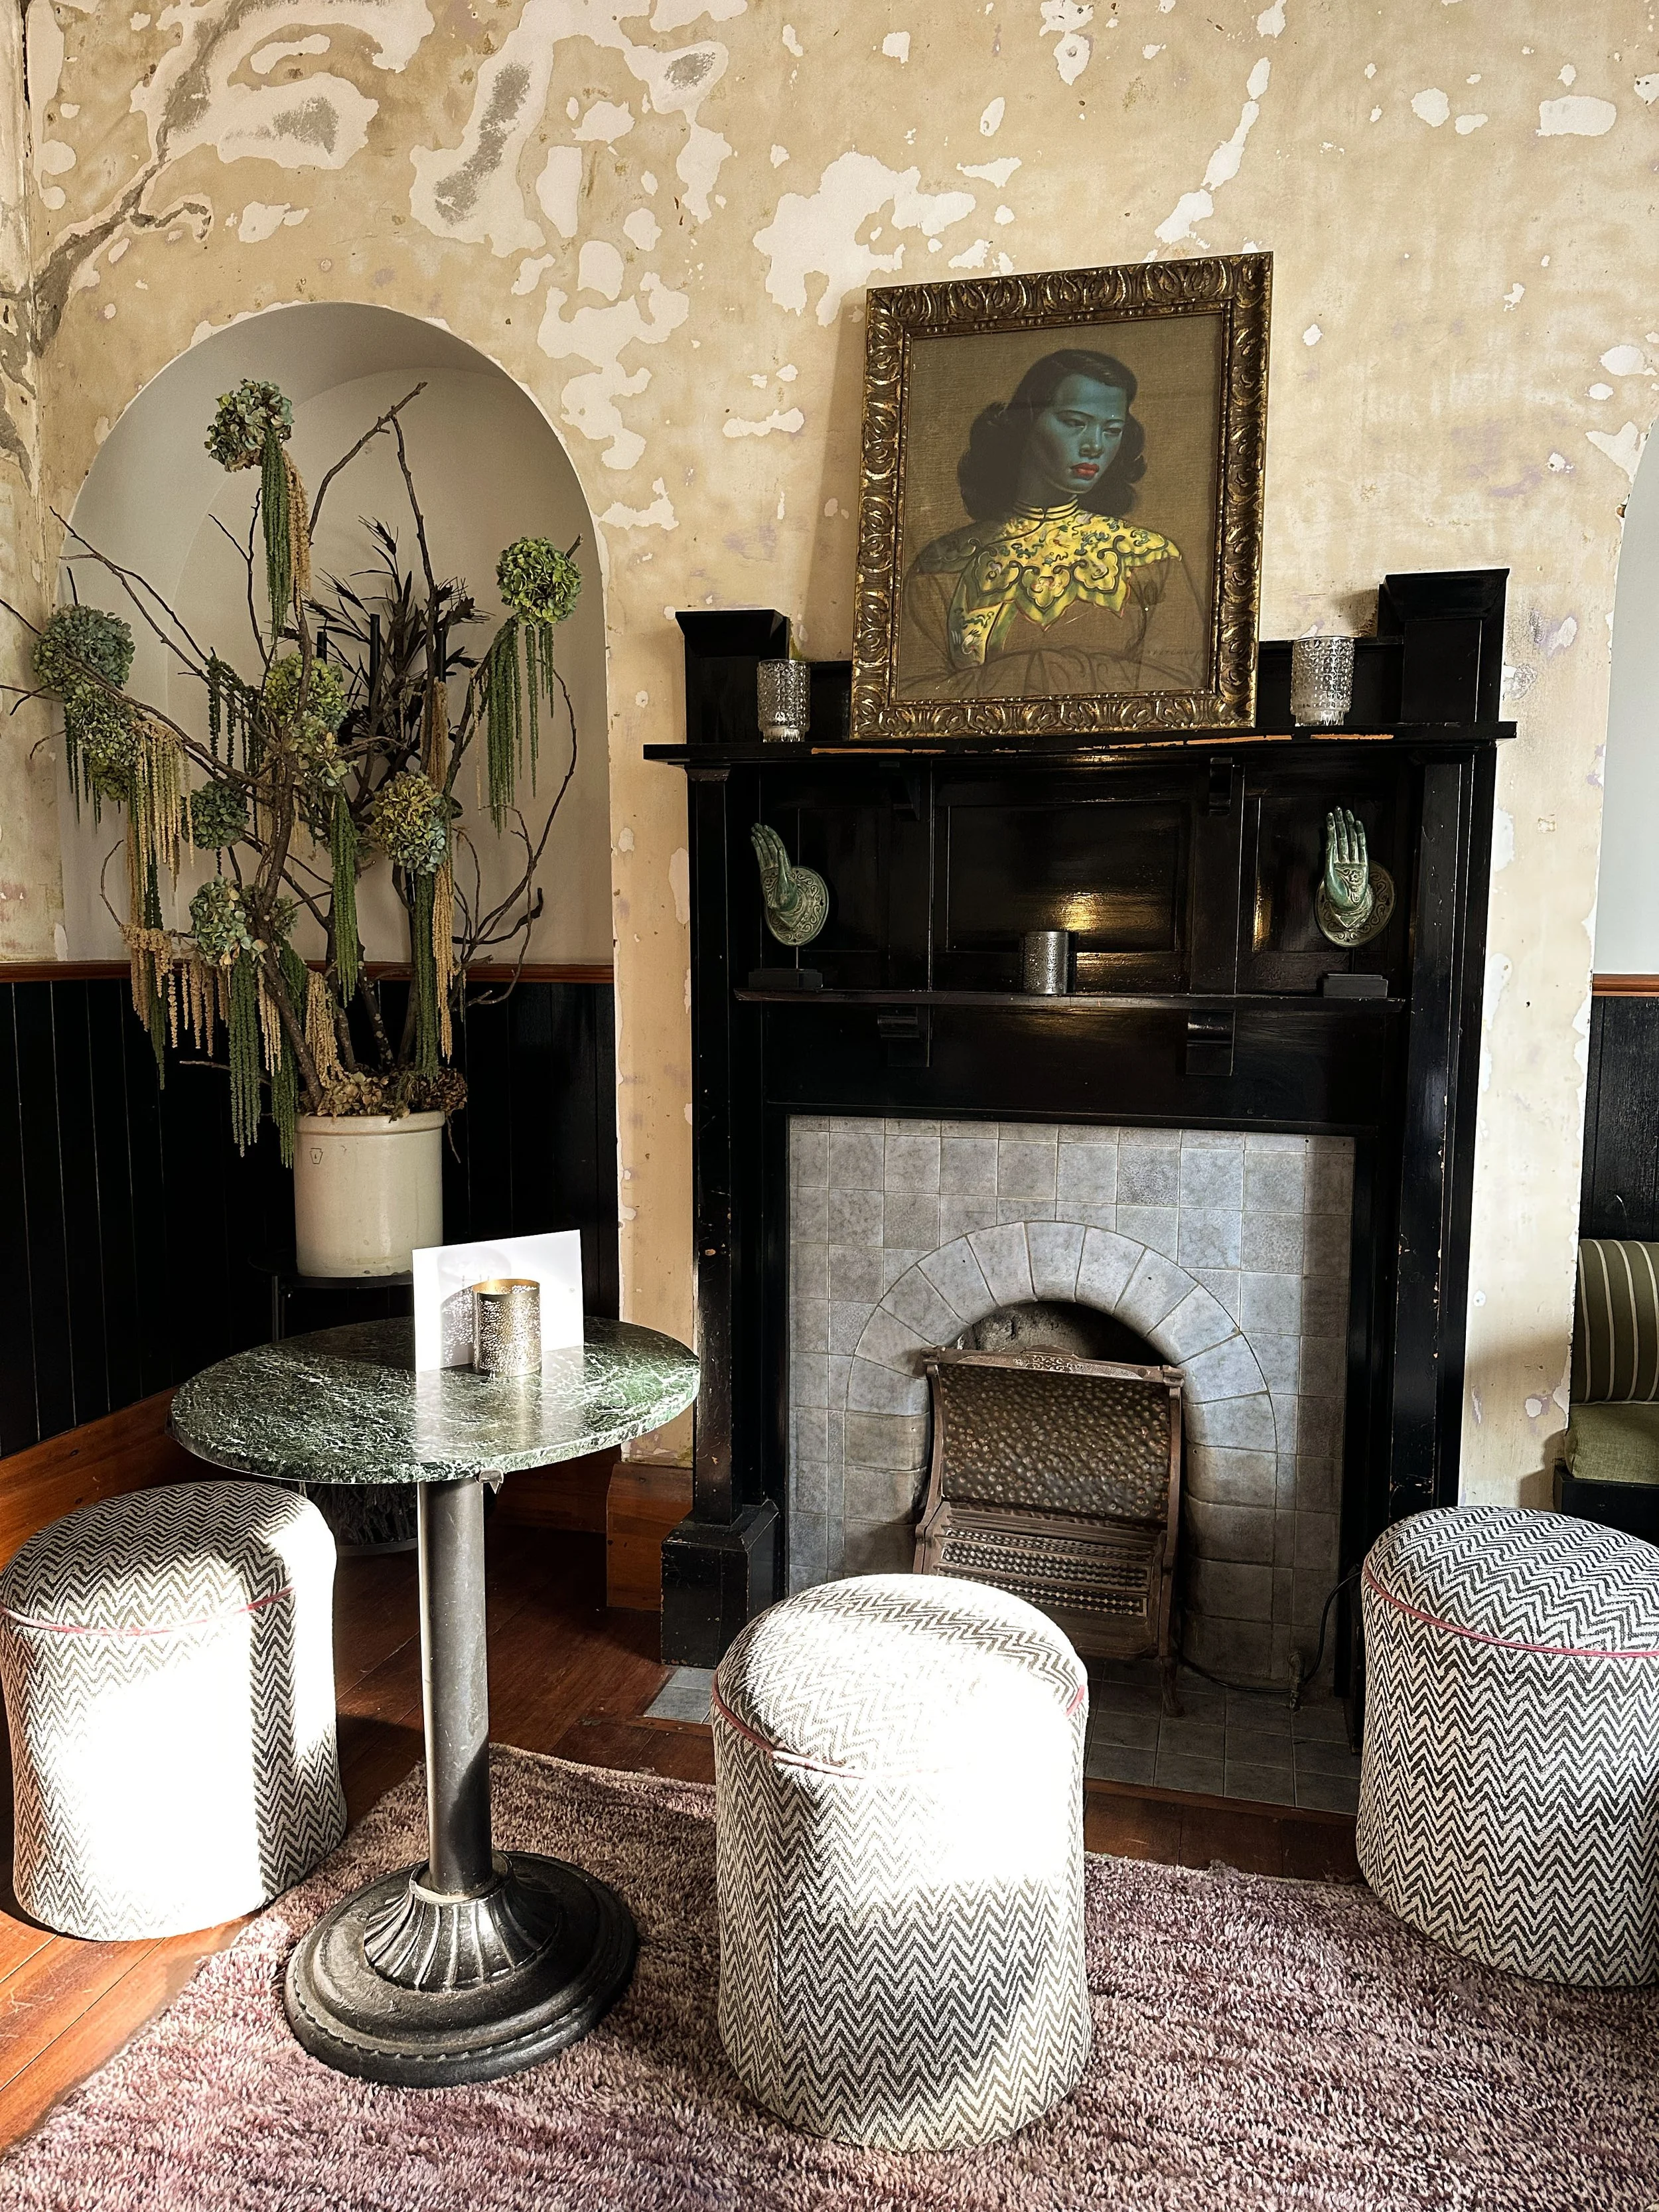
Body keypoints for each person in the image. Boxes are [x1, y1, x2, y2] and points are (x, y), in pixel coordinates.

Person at [896, 347, 1206, 702]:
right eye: (1075, 423)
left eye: (1112, 429)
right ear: (1027, 423)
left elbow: (1183, 690)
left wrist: (1044, 672)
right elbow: (912, 700)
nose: (1094, 446)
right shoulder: (941, 565)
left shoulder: (1152, 559)